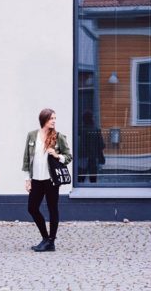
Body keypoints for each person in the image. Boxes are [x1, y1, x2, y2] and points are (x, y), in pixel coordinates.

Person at [22, 108, 72, 252]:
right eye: (51, 118)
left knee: (52, 209)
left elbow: (68, 157)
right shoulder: (32, 136)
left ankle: (51, 241)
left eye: (55, 118)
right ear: (43, 119)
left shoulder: (58, 137)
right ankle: (45, 238)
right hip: (36, 179)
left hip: (51, 180)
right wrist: (27, 179)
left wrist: (57, 155)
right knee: (32, 208)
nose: (54, 121)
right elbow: (26, 159)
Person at [77, 110, 106, 183]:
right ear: (91, 119)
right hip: (93, 157)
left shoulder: (80, 130)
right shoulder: (96, 130)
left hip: (82, 157)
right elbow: (101, 145)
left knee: (80, 179)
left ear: (84, 119)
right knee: (93, 179)